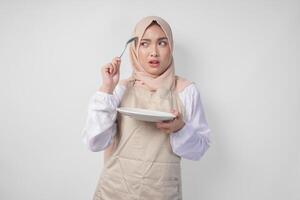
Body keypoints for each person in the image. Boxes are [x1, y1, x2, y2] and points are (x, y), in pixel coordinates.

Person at [81, 16, 211, 200]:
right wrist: (106, 89)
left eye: (162, 43)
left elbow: (198, 151)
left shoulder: (186, 91)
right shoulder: (120, 88)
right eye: (145, 43)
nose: (154, 52)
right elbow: (95, 143)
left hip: (162, 194)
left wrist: (180, 129)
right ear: (134, 49)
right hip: (114, 192)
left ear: (171, 47)